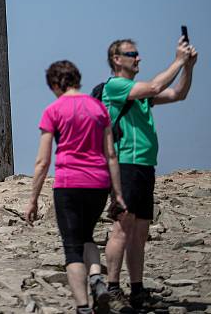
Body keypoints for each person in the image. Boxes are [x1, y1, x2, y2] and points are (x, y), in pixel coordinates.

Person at [101, 37, 197, 312]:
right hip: (126, 164)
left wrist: (187, 68)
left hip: (144, 165)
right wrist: (178, 60)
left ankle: (138, 289)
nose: (139, 58)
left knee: (140, 231)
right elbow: (156, 86)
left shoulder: (140, 94)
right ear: (117, 59)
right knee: (122, 226)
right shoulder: (116, 86)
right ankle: (112, 287)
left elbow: (178, 94)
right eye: (132, 54)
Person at [25, 60, 127, 314]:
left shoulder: (54, 110)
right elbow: (111, 154)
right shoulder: (98, 108)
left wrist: (33, 199)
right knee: (87, 236)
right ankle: (96, 278)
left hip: (69, 183)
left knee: (72, 247)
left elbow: (42, 161)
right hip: (98, 183)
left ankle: (83, 306)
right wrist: (117, 193)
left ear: (56, 84)